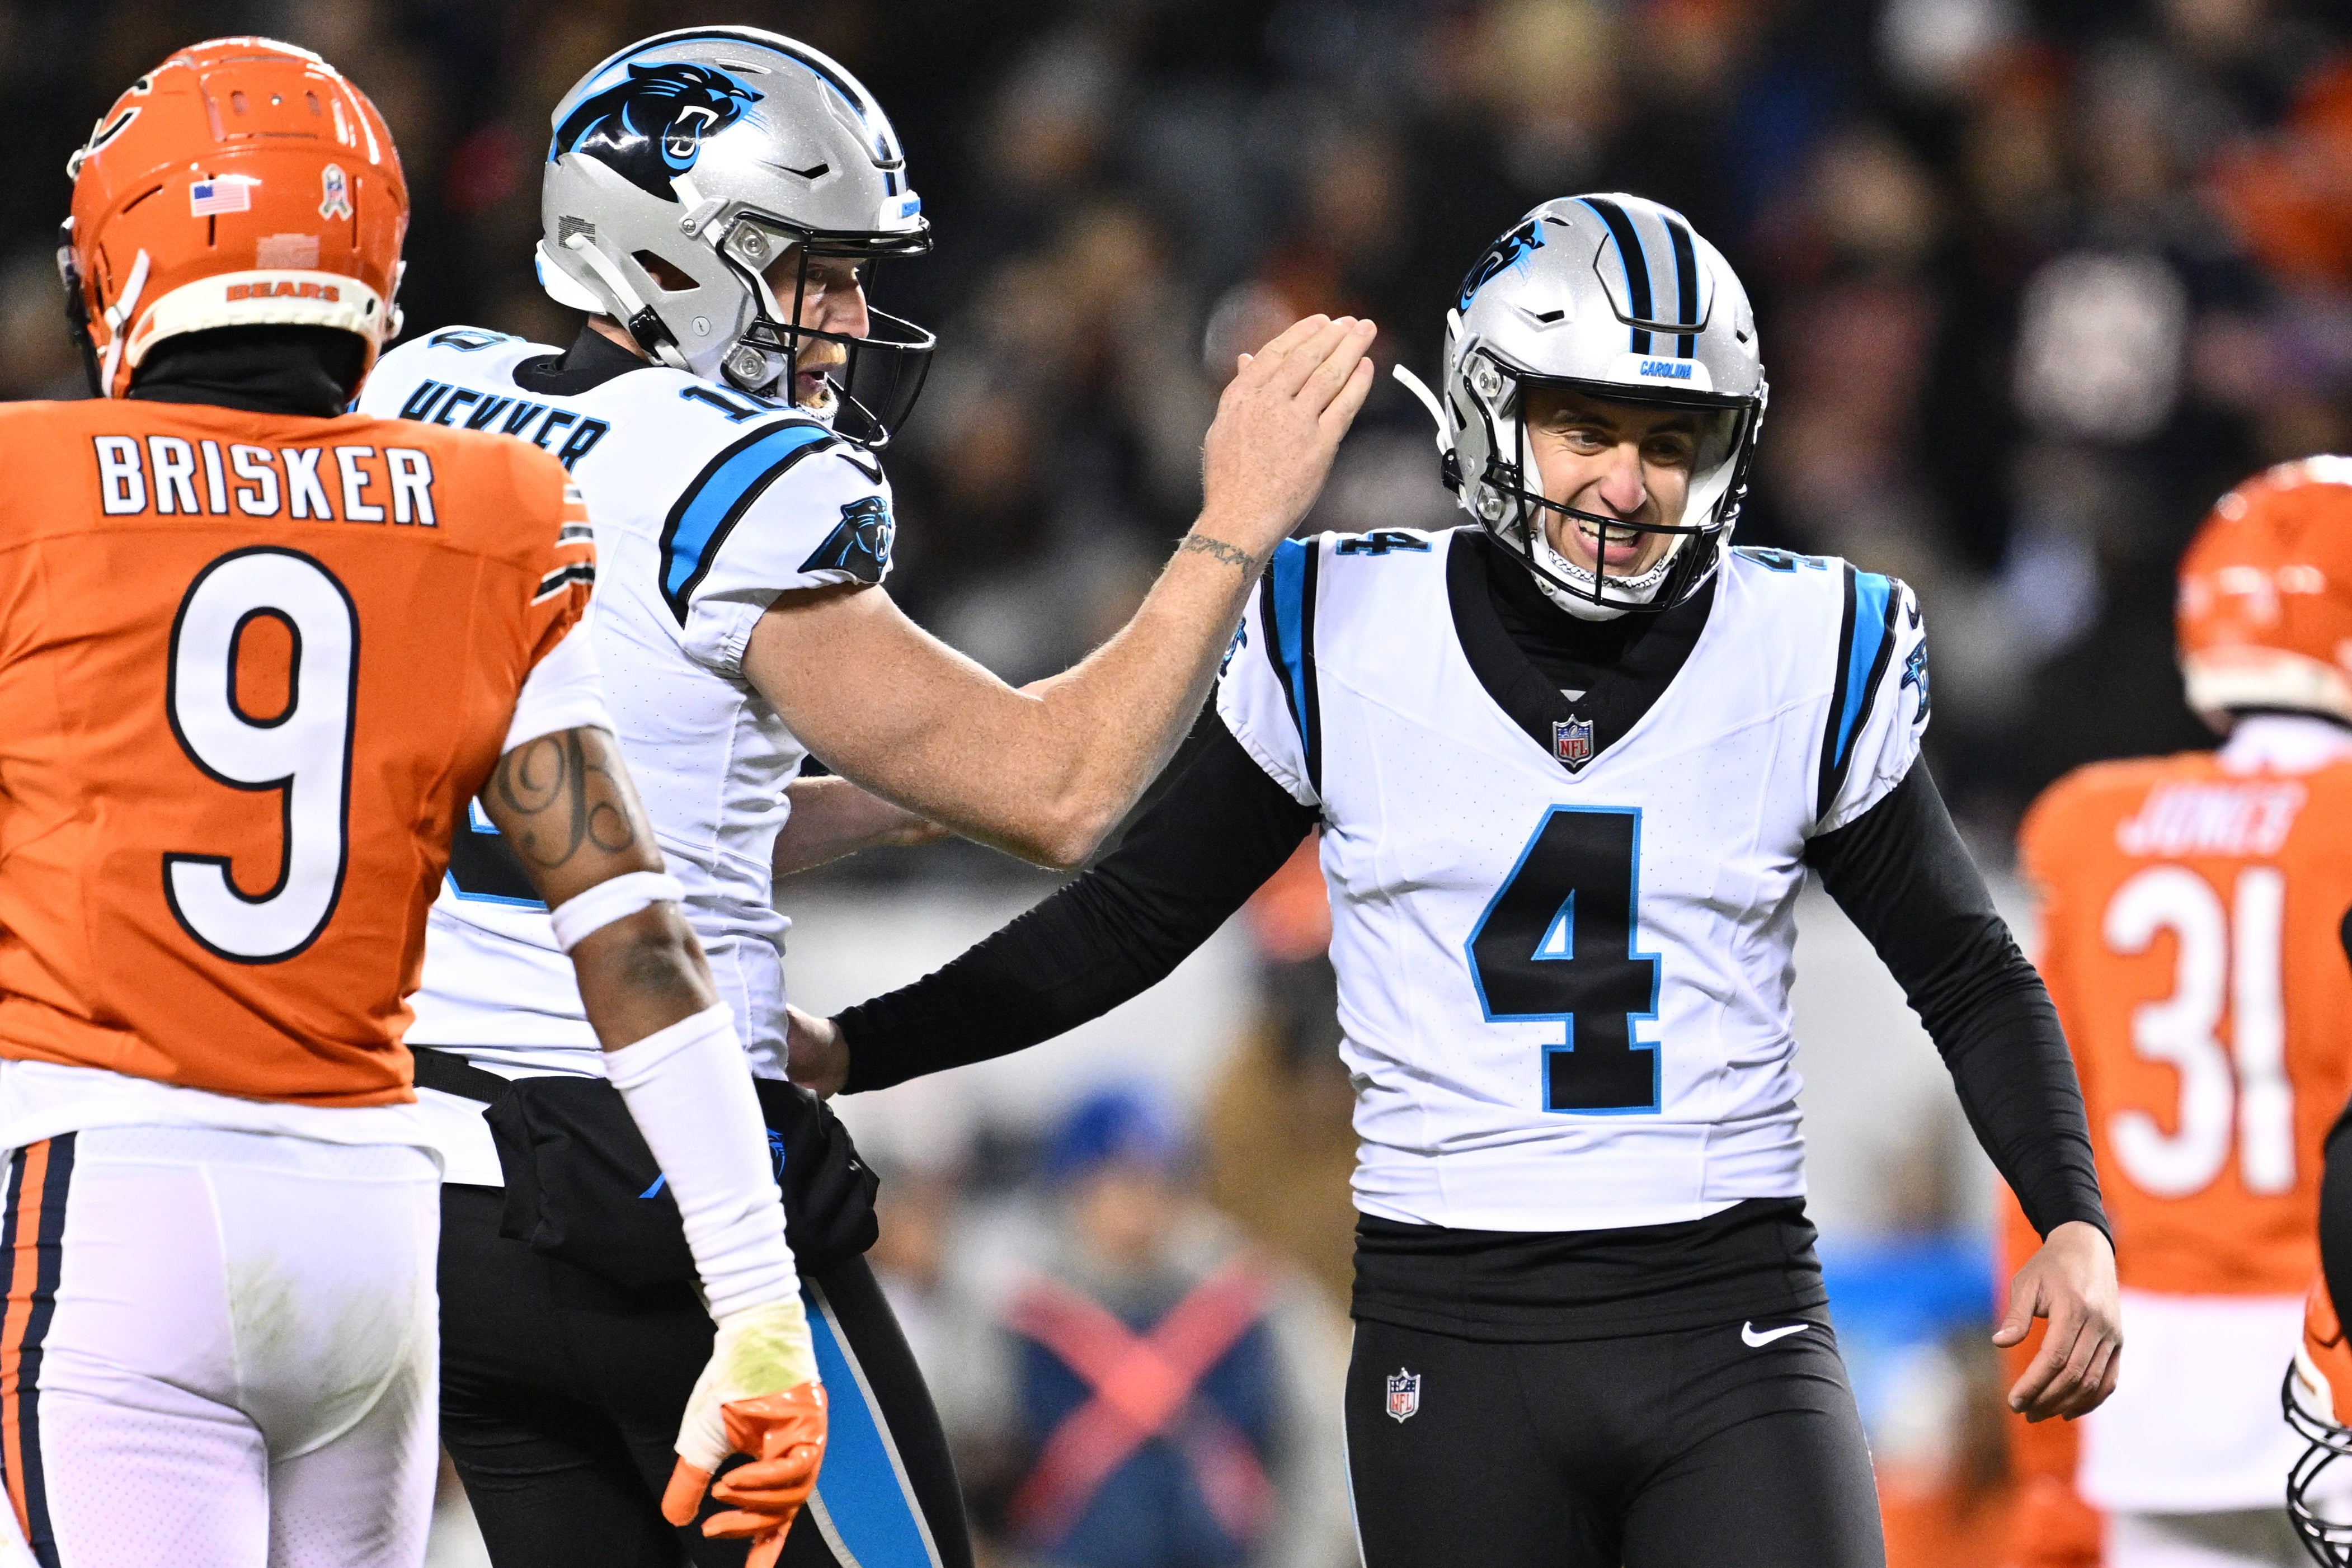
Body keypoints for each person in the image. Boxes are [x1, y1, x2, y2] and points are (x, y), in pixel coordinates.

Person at [792, 194, 2123, 1567]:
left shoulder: (1803, 640)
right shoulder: (1343, 619)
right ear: (1488, 410)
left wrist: (2072, 1213)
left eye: (1671, 442)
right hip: (1456, 1328)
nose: (1627, 483)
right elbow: (1131, 919)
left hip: (1731, 1315)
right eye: (1586, 427)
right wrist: (861, 1045)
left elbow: (1966, 968)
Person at [350, 26, 1375, 1568]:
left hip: (430, 1188)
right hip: (658, 1192)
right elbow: (1065, 788)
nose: (841, 317)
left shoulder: (425, 392)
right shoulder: (737, 479)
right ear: (668, 251)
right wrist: (1231, 524)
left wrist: (893, 795)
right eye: (804, 271)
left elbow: (611, 794)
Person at [1, 37, 822, 1568]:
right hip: (375, 1237)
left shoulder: (26, 490)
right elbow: (636, 938)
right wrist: (757, 1296)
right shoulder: (492, 509)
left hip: (108, 1199)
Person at [2011, 458, 2352, 1567]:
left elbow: (2037, 1146)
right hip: (2328, 1345)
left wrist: (2044, 1449)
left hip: (2150, 1390)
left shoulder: (2090, 825)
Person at [943, 1089, 1350, 1568]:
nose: (1140, 1202)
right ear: (1072, 1186)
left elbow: (1326, 1451)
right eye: (1117, 1180)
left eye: (1160, 1179)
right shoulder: (1015, 1313)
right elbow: (950, 1449)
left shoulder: (1255, 1299)